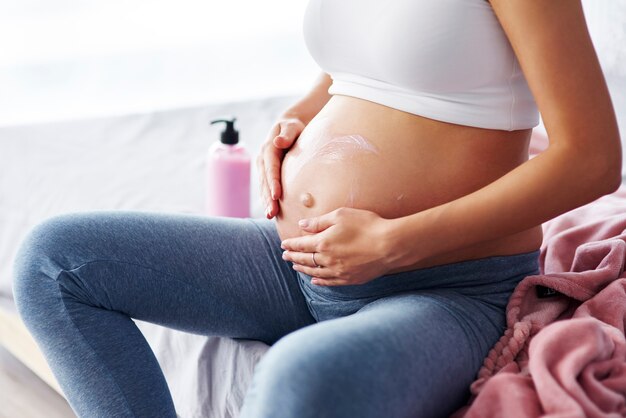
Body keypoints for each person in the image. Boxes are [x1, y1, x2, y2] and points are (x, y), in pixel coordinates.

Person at [12, 1, 621, 417]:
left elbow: (592, 158)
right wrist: (298, 118)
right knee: (54, 261)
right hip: (294, 262)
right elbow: (357, 65)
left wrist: (396, 242)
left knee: (300, 376)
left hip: (446, 288)